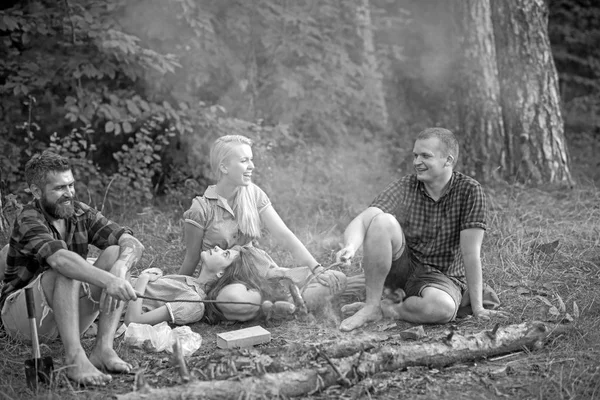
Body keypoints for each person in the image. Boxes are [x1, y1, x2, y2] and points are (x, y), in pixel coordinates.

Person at [335, 127, 507, 332]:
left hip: (441, 278)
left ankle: (385, 309)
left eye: (425, 156)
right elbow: (365, 219)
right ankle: (370, 305)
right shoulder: (406, 185)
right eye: (415, 155)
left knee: (442, 308)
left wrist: (478, 308)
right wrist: (351, 247)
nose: (417, 162)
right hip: (402, 268)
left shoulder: (470, 191)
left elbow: (471, 254)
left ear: (448, 160)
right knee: (381, 221)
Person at [0, 150, 144, 386]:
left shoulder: (80, 212)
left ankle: (103, 350)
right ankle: (75, 359)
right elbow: (60, 260)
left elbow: (132, 242)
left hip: (66, 315)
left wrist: (120, 267)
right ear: (36, 192)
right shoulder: (28, 217)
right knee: (66, 266)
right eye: (59, 188)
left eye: (71, 185)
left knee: (115, 252)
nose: (69, 194)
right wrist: (109, 281)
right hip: (24, 317)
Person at [179, 135, 346, 317]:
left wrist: (316, 268)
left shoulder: (253, 194)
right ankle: (278, 304)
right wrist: (177, 290)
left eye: (251, 160)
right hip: (226, 282)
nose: (252, 166)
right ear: (224, 167)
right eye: (244, 160)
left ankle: (282, 305)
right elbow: (192, 258)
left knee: (337, 279)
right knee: (235, 299)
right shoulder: (201, 208)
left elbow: (284, 235)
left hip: (260, 271)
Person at [203, 245, 346, 323]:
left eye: (224, 252)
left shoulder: (233, 286)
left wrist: (279, 273)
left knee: (337, 278)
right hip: (283, 300)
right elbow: (237, 299)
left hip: (279, 292)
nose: (216, 247)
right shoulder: (228, 294)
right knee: (337, 280)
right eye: (225, 254)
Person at [124, 245, 239, 326]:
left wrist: (143, 279)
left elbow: (134, 320)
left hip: (114, 301)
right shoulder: (191, 281)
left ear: (221, 273)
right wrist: (156, 277)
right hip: (119, 285)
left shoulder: (194, 303)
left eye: (225, 254)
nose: (217, 247)